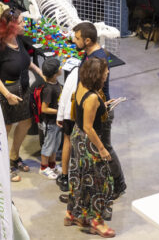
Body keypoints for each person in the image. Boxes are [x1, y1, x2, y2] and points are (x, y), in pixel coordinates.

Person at [65, 55, 115, 237]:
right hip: (89, 142)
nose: (107, 74)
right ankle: (97, 222)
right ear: (97, 75)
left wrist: (103, 105)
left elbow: (85, 111)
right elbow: (89, 127)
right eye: (105, 72)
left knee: (80, 177)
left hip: (77, 136)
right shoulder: (93, 97)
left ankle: (73, 214)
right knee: (99, 183)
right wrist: (102, 148)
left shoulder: (82, 85)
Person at [0, 9, 40, 181]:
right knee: (4, 129)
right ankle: (0, 165)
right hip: (6, 94)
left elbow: (26, 61)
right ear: (11, 26)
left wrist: (39, 71)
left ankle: (13, 156)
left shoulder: (18, 39)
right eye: (21, 22)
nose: (25, 25)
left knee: (26, 122)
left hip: (23, 89)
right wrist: (7, 94)